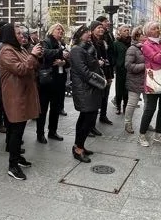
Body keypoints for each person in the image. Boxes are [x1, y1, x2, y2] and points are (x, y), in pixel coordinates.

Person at [0, 23, 42, 180]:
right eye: (17, 33)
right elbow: (21, 69)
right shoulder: (6, 51)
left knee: (20, 129)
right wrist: (33, 55)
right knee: (16, 131)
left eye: (21, 32)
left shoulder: (20, 49)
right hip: (15, 96)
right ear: (10, 35)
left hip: (23, 94)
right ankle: (12, 165)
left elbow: (33, 66)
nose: (22, 35)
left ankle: (17, 157)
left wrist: (36, 55)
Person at [69, 24, 104, 162]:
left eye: (89, 31)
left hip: (90, 88)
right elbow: (84, 72)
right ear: (79, 35)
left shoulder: (87, 47)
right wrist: (101, 81)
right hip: (84, 89)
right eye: (85, 32)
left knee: (87, 117)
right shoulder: (76, 50)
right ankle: (78, 148)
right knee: (87, 118)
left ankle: (80, 145)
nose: (89, 33)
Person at [36, 23, 68, 143]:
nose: (61, 31)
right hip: (47, 80)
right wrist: (60, 52)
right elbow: (44, 53)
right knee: (43, 109)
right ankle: (40, 134)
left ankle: (52, 132)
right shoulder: (46, 41)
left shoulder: (62, 44)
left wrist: (63, 63)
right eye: (58, 29)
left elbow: (67, 60)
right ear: (51, 31)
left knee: (55, 108)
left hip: (59, 80)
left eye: (62, 30)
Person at [123, 26, 146, 135]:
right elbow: (128, 66)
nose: (146, 37)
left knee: (148, 104)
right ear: (137, 36)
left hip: (147, 81)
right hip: (135, 81)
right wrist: (144, 66)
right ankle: (128, 123)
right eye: (143, 35)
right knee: (132, 103)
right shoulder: (132, 49)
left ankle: (146, 123)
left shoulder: (147, 47)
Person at [91, 19, 114, 126]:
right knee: (96, 99)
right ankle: (91, 125)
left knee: (105, 95)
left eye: (101, 27)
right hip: (95, 74)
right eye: (98, 28)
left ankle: (103, 116)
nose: (101, 29)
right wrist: (97, 62)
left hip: (104, 71)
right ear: (92, 30)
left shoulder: (102, 41)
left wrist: (109, 75)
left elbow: (106, 58)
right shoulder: (90, 42)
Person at [112, 24, 131, 116]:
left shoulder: (131, 42)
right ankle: (118, 106)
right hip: (120, 69)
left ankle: (125, 106)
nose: (127, 32)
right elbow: (113, 56)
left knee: (127, 89)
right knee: (119, 88)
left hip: (130, 69)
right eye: (125, 30)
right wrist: (117, 65)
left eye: (128, 30)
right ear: (120, 32)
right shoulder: (116, 43)